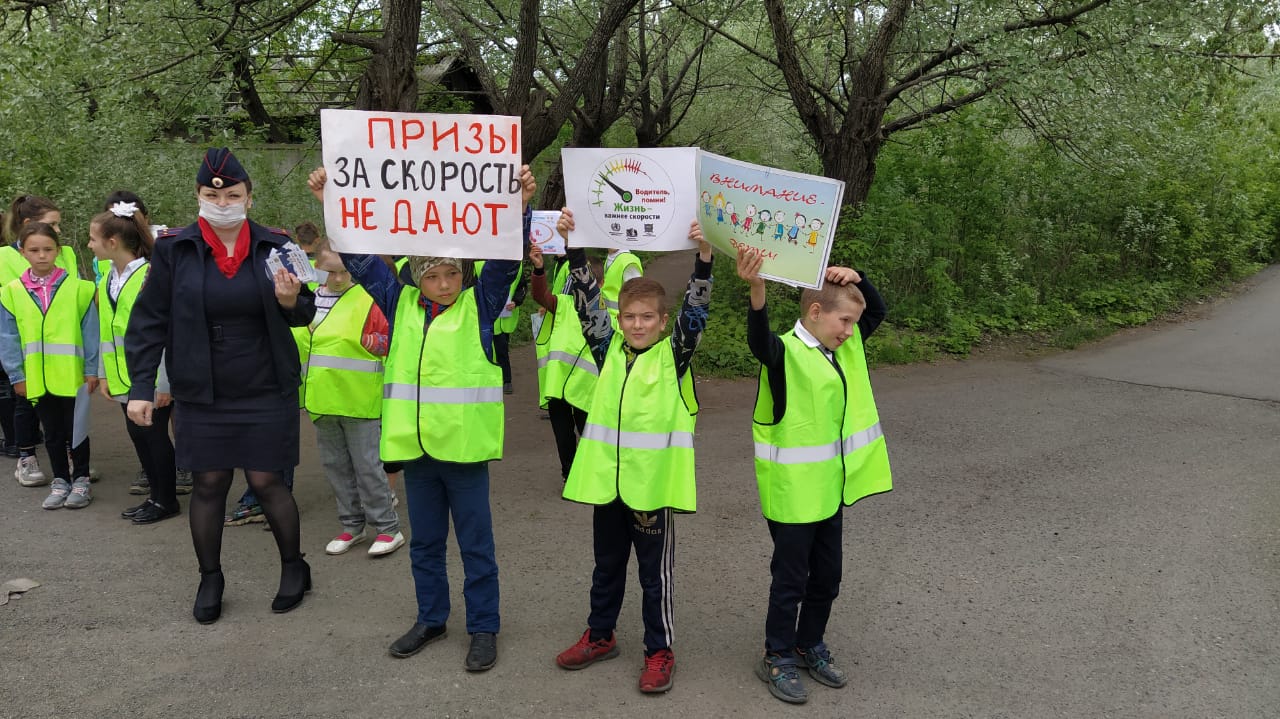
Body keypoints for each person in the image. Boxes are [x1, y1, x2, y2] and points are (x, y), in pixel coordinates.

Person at [308, 163, 537, 672]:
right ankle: (432, 619)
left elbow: (505, 262)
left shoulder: (481, 305)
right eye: (431, 275)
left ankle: (483, 627)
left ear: (463, 273)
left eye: (451, 273)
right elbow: (360, 260)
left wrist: (519, 208)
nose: (443, 283)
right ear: (416, 276)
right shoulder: (398, 301)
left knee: (476, 547)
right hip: (417, 453)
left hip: (464, 452)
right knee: (426, 545)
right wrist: (332, 203)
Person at [125, 147, 316, 625]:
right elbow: (149, 321)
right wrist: (141, 387)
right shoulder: (173, 249)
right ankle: (210, 577)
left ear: (249, 197)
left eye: (232, 195)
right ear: (198, 196)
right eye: (213, 196)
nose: (223, 203)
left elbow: (305, 312)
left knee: (266, 481)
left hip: (265, 384)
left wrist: (289, 301)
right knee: (209, 482)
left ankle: (294, 567)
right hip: (201, 388)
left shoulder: (276, 245)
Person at [552, 208, 712, 695]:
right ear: (618, 319)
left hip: (651, 490)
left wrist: (704, 258)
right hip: (609, 486)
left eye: (647, 318)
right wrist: (573, 245)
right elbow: (586, 303)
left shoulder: (673, 355)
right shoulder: (607, 350)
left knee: (653, 576)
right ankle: (600, 635)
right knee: (606, 566)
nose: (637, 325)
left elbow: (695, 313)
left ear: (663, 322)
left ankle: (659, 650)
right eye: (629, 317)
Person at [735, 247, 891, 704]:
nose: (851, 331)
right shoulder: (785, 353)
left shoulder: (843, 347)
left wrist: (858, 277)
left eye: (853, 324)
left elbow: (876, 310)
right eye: (844, 322)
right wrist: (757, 290)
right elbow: (759, 343)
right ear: (816, 312)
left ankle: (809, 643)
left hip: (828, 492)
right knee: (791, 582)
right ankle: (777, 655)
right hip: (791, 497)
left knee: (827, 578)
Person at [295, 246, 403, 557]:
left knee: (368, 467)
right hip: (322, 398)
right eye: (331, 272)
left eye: (345, 271)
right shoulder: (306, 300)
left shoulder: (368, 298)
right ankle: (352, 525)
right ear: (317, 268)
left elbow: (392, 341)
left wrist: (375, 342)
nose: (339, 278)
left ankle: (387, 527)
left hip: (359, 398)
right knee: (336, 467)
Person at [88, 201, 182, 524]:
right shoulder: (106, 279)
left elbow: (164, 332)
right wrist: (104, 373)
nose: (89, 245)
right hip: (123, 377)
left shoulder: (150, 276)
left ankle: (167, 499)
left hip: (151, 380)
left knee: (155, 438)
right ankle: (154, 495)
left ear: (112, 242)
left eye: (93, 239)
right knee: (139, 436)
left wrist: (164, 383)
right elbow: (106, 331)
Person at [0, 222, 98, 509]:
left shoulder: (79, 289)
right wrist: (16, 374)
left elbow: (91, 333)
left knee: (76, 431)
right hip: (37, 378)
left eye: (48, 249)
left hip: (73, 376)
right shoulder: (11, 292)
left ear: (58, 250)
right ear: (22, 252)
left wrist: (91, 370)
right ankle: (60, 480)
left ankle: (81, 480)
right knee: (52, 433)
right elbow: (8, 336)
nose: (42, 255)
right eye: (34, 250)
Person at [3, 195, 81, 485]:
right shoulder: (4, 257)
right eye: (53, 224)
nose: (58, 231)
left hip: (63, 347)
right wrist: (14, 367)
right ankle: (26, 456)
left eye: (58, 226)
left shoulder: (66, 253)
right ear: (28, 224)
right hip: (27, 347)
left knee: (67, 408)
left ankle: (72, 457)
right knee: (25, 404)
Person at [527, 242, 595, 481]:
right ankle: (569, 474)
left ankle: (589, 474)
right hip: (559, 380)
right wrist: (538, 269)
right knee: (563, 432)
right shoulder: (564, 303)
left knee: (588, 430)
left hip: (585, 383)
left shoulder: (600, 310)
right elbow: (540, 295)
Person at [601, 246, 642, 328]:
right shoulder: (612, 258)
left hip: (620, 325)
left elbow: (636, 298)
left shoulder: (628, 261)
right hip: (609, 321)